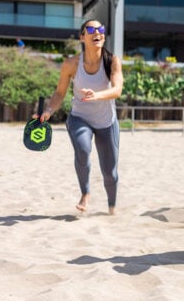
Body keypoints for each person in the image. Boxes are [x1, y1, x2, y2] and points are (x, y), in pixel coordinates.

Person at [37, 20, 123, 215]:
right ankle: (85, 193)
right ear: (82, 37)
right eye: (91, 29)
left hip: (106, 121)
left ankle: (112, 208)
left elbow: (117, 90)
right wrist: (49, 111)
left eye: (101, 29)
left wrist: (97, 95)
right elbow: (59, 93)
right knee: (83, 149)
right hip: (80, 117)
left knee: (110, 172)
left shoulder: (112, 61)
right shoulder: (71, 64)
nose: (97, 33)